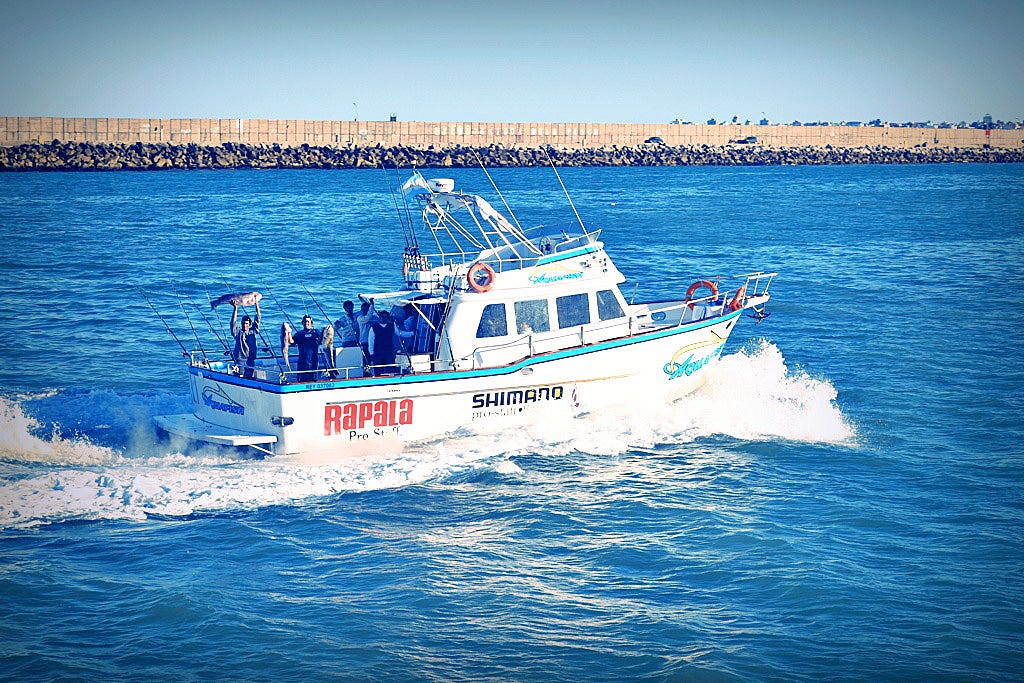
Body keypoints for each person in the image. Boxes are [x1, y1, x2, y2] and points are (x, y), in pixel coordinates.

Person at [230, 300, 261, 379]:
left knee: (249, 377)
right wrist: (235, 308)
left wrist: (256, 303)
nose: (244, 325)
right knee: (240, 378)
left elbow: (258, 317)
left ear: (249, 324)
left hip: (250, 360)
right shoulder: (238, 333)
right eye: (243, 323)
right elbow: (233, 322)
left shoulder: (253, 331)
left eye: (246, 323)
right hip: (240, 360)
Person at [289, 314, 323, 382]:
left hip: (313, 360)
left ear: (311, 323)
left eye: (308, 321)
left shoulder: (316, 332)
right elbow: (292, 342)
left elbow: (321, 341)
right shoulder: (299, 334)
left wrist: (324, 332)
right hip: (302, 360)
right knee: (301, 379)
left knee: (313, 379)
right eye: (305, 321)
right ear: (302, 323)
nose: (306, 323)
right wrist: (288, 332)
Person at [367, 310, 397, 375]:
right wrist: (371, 354)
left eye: (385, 316)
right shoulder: (373, 327)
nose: (384, 318)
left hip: (388, 352)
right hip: (378, 353)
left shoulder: (392, 326)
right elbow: (371, 341)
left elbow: (399, 333)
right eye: (382, 316)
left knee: (391, 370)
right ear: (379, 317)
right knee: (378, 371)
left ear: (388, 317)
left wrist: (411, 333)